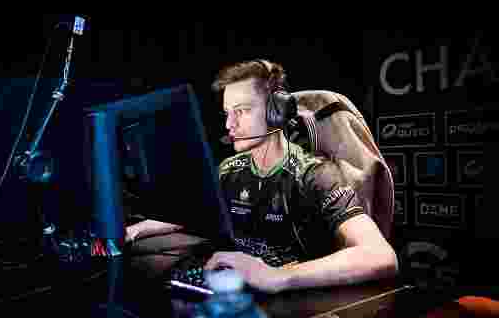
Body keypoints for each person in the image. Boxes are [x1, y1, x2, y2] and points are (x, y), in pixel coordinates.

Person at [125, 59, 398, 293]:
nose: (229, 124)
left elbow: (381, 255)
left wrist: (278, 276)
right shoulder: (230, 170)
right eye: (227, 113)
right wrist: (135, 230)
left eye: (242, 111)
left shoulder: (315, 175)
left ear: (276, 112)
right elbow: (194, 212)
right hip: (244, 296)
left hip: (300, 307)